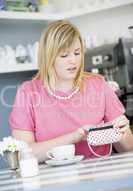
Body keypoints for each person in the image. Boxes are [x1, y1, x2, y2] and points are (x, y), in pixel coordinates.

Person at [9, 20, 133, 163]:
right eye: (64, 55)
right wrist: (74, 137)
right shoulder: (28, 92)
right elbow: (23, 154)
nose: (73, 61)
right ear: (48, 57)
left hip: (100, 172)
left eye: (77, 53)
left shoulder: (98, 84)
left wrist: (122, 133)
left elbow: (128, 149)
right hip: (51, 179)